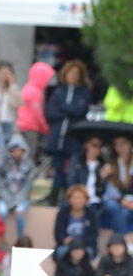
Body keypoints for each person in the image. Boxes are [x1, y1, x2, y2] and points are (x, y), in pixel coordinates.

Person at [45, 60, 93, 205]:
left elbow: (80, 111)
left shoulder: (84, 93)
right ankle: (53, 197)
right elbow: (50, 112)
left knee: (72, 171)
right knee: (57, 170)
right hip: (57, 136)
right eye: (70, 73)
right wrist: (69, 110)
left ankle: (69, 199)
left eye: (76, 74)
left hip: (74, 138)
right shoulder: (58, 92)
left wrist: (63, 108)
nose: (72, 76)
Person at [0, 134, 34, 237]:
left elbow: (28, 185)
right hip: (5, 197)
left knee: (20, 212)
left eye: (19, 149)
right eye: (14, 149)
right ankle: (0, 240)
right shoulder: (4, 164)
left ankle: (20, 241)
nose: (17, 152)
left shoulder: (28, 165)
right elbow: (0, 183)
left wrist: (18, 200)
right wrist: (8, 199)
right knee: (1, 212)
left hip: (22, 198)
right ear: (10, 150)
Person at [17, 62, 54, 165]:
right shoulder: (35, 92)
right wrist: (45, 127)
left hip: (21, 126)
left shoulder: (26, 88)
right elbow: (37, 113)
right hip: (31, 128)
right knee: (29, 156)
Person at [53, 184, 98, 261]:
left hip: (86, 245)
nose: (77, 201)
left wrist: (80, 242)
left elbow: (94, 235)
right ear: (69, 199)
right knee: (61, 251)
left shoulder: (91, 213)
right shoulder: (63, 212)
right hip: (67, 246)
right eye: (74, 198)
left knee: (89, 252)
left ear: (86, 200)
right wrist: (65, 240)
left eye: (81, 198)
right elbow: (58, 234)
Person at [99, 135, 133, 234]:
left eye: (123, 144)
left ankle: (117, 242)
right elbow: (109, 189)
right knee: (115, 208)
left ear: (129, 143)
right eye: (116, 145)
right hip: (114, 198)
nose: (120, 148)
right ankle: (123, 242)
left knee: (125, 213)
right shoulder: (110, 163)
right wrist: (103, 176)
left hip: (130, 199)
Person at [66, 136, 106, 205]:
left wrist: (103, 178)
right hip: (78, 200)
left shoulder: (104, 164)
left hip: (96, 201)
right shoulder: (77, 160)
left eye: (100, 146)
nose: (97, 148)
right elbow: (71, 180)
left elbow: (103, 190)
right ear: (86, 145)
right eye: (94, 145)